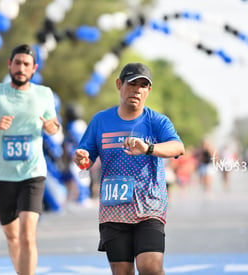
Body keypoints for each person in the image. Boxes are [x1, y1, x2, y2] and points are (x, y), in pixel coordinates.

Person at [74, 62, 185, 275]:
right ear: (119, 84)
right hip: (113, 208)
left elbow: (178, 147)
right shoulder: (100, 121)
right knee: (122, 272)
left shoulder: (156, 121)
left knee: (150, 266)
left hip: (149, 206)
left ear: (148, 91)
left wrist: (148, 148)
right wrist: (81, 159)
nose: (137, 89)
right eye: (132, 83)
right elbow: (84, 158)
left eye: (143, 85)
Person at [0, 44, 60, 275]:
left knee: (28, 234)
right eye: (17, 63)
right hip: (2, 174)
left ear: (34, 68)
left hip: (33, 172)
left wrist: (51, 126)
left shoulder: (44, 94)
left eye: (26, 64)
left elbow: (55, 126)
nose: (21, 68)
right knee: (13, 236)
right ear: (10, 64)